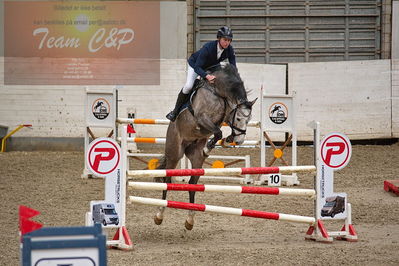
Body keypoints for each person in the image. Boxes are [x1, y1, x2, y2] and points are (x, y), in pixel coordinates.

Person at [166, 26, 237, 122]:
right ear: (219, 38)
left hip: (212, 66)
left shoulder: (230, 49)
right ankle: (175, 112)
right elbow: (197, 67)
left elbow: (233, 67)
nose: (227, 43)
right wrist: (206, 76)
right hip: (195, 65)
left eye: (229, 40)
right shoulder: (208, 47)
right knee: (188, 86)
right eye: (225, 40)